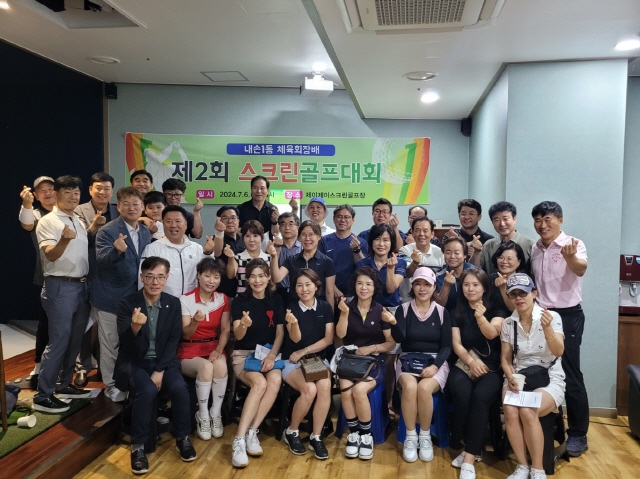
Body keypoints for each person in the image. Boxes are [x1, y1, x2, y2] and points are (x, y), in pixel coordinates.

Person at [115, 256, 197, 474]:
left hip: (164, 362)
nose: (155, 282)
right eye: (150, 277)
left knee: (180, 388)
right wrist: (134, 327)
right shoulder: (127, 303)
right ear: (142, 277)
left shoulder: (173, 303)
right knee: (147, 390)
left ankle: (183, 437)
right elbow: (125, 343)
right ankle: (138, 447)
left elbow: (173, 340)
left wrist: (160, 370)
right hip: (135, 362)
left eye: (160, 277)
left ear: (167, 278)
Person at [530, 201, 589, 457]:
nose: (542, 225)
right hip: (541, 314)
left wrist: (570, 257)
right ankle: (554, 427)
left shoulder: (572, 244)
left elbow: (580, 269)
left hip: (567, 315)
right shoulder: (535, 247)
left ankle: (578, 434)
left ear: (560, 220)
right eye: (538, 220)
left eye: (548, 219)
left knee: (570, 373)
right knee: (543, 370)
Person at [34, 176, 92, 413]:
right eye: (67, 192)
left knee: (74, 339)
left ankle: (64, 384)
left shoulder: (77, 219)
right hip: (60, 286)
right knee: (59, 340)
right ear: (56, 194)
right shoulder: (48, 221)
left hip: (81, 286)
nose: (73, 196)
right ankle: (43, 395)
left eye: (76, 192)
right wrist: (64, 241)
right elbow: (50, 254)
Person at [500, 273, 565, 479]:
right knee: (510, 410)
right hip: (518, 376)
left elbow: (558, 351)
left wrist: (547, 330)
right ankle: (522, 466)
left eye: (523, 293)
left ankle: (537, 469)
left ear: (534, 293)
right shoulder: (508, 323)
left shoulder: (551, 317)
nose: (519, 298)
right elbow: (505, 359)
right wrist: (511, 377)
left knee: (528, 411)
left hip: (550, 376)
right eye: (513, 294)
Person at [92, 187, 151, 403]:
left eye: (136, 203)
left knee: (130, 342)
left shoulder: (145, 231)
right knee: (110, 344)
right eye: (126, 204)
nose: (131, 208)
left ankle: (128, 382)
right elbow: (101, 262)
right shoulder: (107, 231)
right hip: (110, 298)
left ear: (142, 207)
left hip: (135, 298)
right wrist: (116, 251)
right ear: (118, 206)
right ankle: (111, 386)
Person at [447, 268, 508, 479]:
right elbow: (456, 344)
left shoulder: (497, 308)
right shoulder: (457, 311)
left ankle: (470, 457)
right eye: (466, 285)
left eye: (475, 285)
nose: (470, 289)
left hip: (492, 366)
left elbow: (492, 334)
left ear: (484, 287)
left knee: (480, 397)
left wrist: (481, 317)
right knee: (461, 393)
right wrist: (471, 363)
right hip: (465, 363)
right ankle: (467, 443)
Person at [390, 267, 451, 463]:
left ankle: (424, 436)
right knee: (409, 387)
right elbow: (400, 339)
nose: (422, 289)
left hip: (435, 360)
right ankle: (410, 436)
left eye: (427, 284)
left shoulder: (441, 312)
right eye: (418, 284)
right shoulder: (403, 309)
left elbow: (447, 346)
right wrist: (393, 323)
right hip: (408, 357)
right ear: (412, 286)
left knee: (424, 388)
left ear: (434, 288)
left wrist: (435, 367)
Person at [335, 267, 396, 460]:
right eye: (360, 283)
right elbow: (340, 335)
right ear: (354, 285)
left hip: (374, 362)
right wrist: (344, 314)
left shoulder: (381, 311)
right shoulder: (346, 307)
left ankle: (366, 435)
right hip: (350, 361)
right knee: (345, 389)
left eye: (368, 284)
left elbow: (390, 343)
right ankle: (354, 434)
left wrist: (371, 348)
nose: (363, 288)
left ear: (374, 287)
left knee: (359, 390)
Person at [230, 259, 285, 468]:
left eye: (261, 275)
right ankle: (239, 439)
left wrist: (272, 355)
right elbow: (237, 335)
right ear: (247, 279)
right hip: (244, 355)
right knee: (260, 383)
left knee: (275, 380)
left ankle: (252, 431)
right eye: (252, 276)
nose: (257, 280)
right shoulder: (240, 301)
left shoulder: (276, 299)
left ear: (269, 277)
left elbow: (280, 333)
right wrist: (243, 325)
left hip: (268, 353)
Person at [280, 269, 334, 459]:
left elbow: (328, 339)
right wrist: (294, 324)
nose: (304, 289)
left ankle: (316, 436)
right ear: (295, 289)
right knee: (309, 389)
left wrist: (304, 351)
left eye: (308, 284)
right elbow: (295, 339)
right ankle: (292, 431)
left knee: (325, 386)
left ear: (316, 286)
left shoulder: (325, 307)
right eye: (299, 285)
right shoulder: (291, 308)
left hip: (314, 360)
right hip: (292, 360)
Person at [75, 171, 120, 386]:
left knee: (108, 326)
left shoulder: (117, 211)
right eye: (98, 188)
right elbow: (76, 241)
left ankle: (105, 367)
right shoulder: (78, 210)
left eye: (106, 189)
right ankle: (82, 366)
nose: (102, 192)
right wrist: (93, 226)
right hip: (87, 274)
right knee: (84, 323)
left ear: (112, 191)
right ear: (90, 190)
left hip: (111, 277)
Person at [179, 258, 231, 441]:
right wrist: (195, 321)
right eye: (207, 276)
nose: (211, 281)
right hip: (189, 349)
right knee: (206, 367)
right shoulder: (185, 299)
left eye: (216, 277)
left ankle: (215, 413)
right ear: (199, 276)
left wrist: (219, 349)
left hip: (213, 346)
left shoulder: (222, 299)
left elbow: (225, 330)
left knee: (221, 365)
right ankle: (202, 415)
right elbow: (185, 334)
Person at [18, 176, 56, 387]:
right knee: (46, 324)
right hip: (47, 277)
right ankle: (39, 365)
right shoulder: (35, 214)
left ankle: (78, 362)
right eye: (42, 190)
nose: (48, 192)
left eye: (51, 188)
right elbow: (26, 223)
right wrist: (26, 203)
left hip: (77, 276)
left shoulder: (69, 211)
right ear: (36, 195)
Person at [139, 205, 215, 297]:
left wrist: (208, 253)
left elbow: (209, 272)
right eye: (168, 221)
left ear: (185, 224)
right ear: (163, 224)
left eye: (178, 221)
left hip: (191, 302)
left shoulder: (197, 248)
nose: (173, 225)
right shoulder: (153, 248)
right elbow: (143, 279)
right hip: (163, 302)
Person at [268, 220, 336, 308]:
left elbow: (329, 291)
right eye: (303, 235)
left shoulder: (327, 262)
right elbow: (276, 278)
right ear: (299, 238)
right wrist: (274, 257)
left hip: (319, 308)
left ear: (319, 237)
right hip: (295, 308)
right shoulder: (291, 260)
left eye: (311, 234)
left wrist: (330, 313)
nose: (307, 238)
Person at [474, 202, 535, 275]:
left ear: (514, 219)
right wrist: (476, 252)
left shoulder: (531, 245)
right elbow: (475, 271)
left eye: (505, 219)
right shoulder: (488, 246)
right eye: (496, 220)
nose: (502, 224)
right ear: (492, 223)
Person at [319, 204, 364, 301]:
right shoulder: (324, 241)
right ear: (334, 219)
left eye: (346, 217)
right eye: (339, 216)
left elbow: (363, 267)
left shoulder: (361, 242)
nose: (342, 220)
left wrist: (356, 250)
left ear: (353, 220)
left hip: (353, 295)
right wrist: (333, 288)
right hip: (328, 292)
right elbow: (320, 268)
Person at [398, 216, 445, 302]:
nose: (421, 234)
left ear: (432, 234)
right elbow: (407, 273)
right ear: (412, 233)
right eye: (417, 230)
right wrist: (415, 263)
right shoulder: (404, 251)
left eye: (425, 231)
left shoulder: (441, 254)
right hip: (408, 301)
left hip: (432, 302)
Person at [224, 220, 272, 295]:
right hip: (241, 299)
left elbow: (273, 282)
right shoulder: (237, 257)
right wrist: (230, 258)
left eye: (255, 235)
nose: (251, 240)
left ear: (262, 238)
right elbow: (230, 275)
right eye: (247, 236)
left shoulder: (269, 258)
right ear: (243, 238)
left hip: (264, 298)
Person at [211, 205, 245, 298]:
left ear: (238, 221)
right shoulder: (215, 239)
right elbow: (216, 253)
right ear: (219, 221)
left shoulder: (243, 239)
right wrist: (219, 232)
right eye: (225, 218)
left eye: (233, 218)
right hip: (224, 293)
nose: (230, 221)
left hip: (244, 291)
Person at [435, 237, 475, 311]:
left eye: (457, 253)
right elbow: (438, 306)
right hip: (447, 315)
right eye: (448, 253)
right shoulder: (438, 276)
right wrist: (446, 285)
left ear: (465, 255)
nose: (452, 256)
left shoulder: (474, 273)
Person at [273, 212, 302, 306]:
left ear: (298, 227)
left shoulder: (304, 247)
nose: (287, 228)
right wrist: (276, 250)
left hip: (300, 291)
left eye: (291, 224)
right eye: (283, 224)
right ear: (279, 228)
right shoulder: (273, 247)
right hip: (279, 292)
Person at [237, 175, 279, 241]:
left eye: (262, 188)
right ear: (251, 189)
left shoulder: (272, 209)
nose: (259, 191)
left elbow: (275, 233)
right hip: (246, 244)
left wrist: (275, 222)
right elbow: (237, 230)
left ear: (267, 190)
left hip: (267, 246)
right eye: (255, 188)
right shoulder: (241, 208)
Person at [490, 241, 527, 313]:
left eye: (509, 259)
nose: (504, 261)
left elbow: (515, 310)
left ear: (519, 262)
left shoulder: (523, 282)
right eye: (501, 257)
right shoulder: (489, 279)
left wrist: (502, 287)